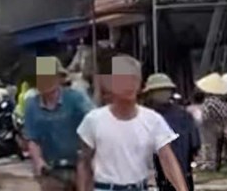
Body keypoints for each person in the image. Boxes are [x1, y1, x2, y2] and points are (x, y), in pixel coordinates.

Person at [77, 55, 189, 191]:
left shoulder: (152, 120)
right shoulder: (94, 120)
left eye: (133, 79)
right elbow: (84, 162)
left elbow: (167, 159)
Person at [24, 57, 93, 191]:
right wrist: (38, 161)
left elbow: (94, 120)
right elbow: (33, 139)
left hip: (79, 166)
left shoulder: (76, 98)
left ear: (59, 78)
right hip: (51, 169)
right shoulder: (32, 105)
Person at [143, 73, 200, 191]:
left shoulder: (147, 117)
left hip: (165, 172)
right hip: (179, 172)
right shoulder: (184, 115)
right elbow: (195, 144)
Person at [197, 72, 227, 171]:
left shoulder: (212, 101)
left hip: (219, 129)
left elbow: (205, 116)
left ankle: (212, 162)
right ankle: (214, 162)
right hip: (221, 127)